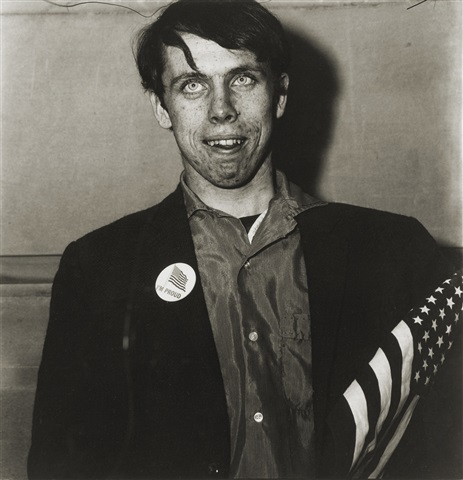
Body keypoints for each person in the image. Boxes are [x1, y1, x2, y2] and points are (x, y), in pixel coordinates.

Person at [28, 0, 461, 478]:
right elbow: (62, 465)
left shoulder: (393, 253)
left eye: (242, 79)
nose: (221, 111)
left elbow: (443, 444)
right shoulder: (98, 268)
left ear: (279, 95)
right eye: (192, 85)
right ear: (160, 107)